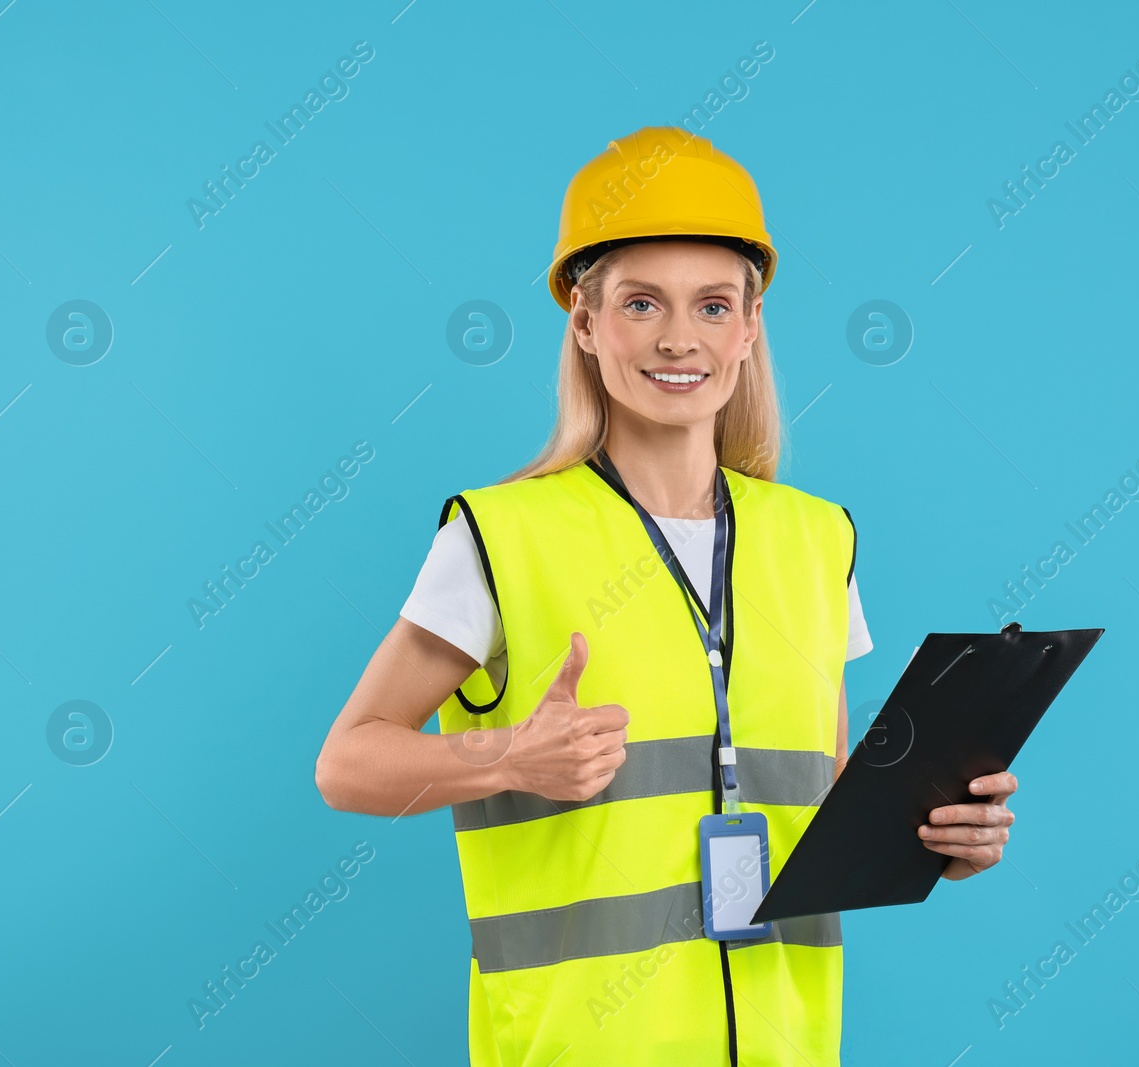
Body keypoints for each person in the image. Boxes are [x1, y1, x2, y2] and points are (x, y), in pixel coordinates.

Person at [314, 127, 1018, 1067]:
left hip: (785, 1042)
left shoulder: (818, 541)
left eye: (713, 305)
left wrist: (941, 833)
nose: (680, 338)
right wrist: (508, 756)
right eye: (641, 303)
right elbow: (346, 766)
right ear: (585, 322)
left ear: (750, 327)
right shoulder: (500, 537)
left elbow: (829, 793)